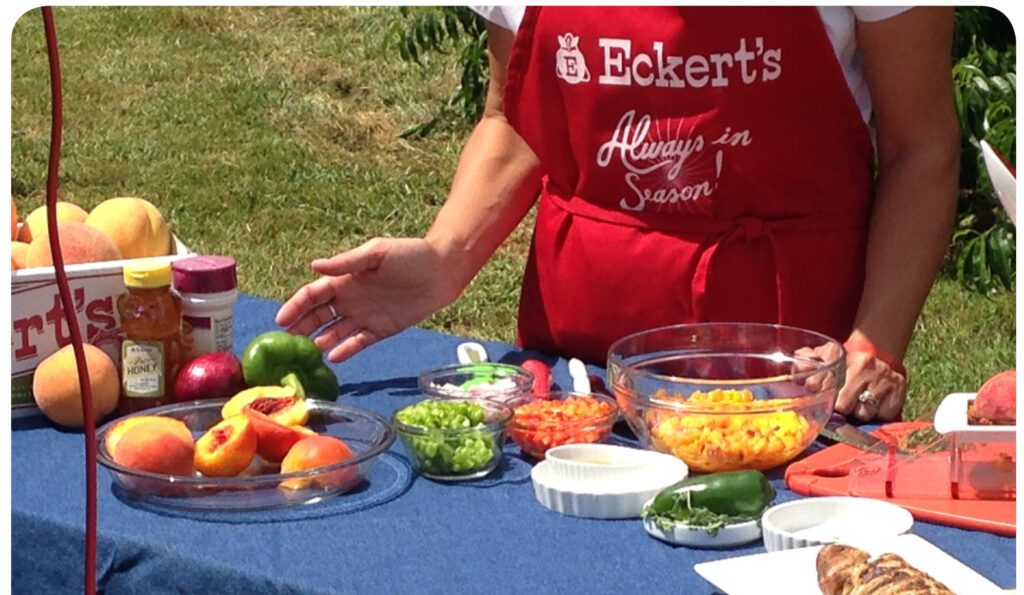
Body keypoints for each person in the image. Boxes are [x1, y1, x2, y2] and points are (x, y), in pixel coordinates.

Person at [276, 6, 960, 422]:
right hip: (578, 372)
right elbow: (516, 118)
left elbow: (920, 146)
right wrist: (445, 256)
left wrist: (875, 342)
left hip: (792, 371)